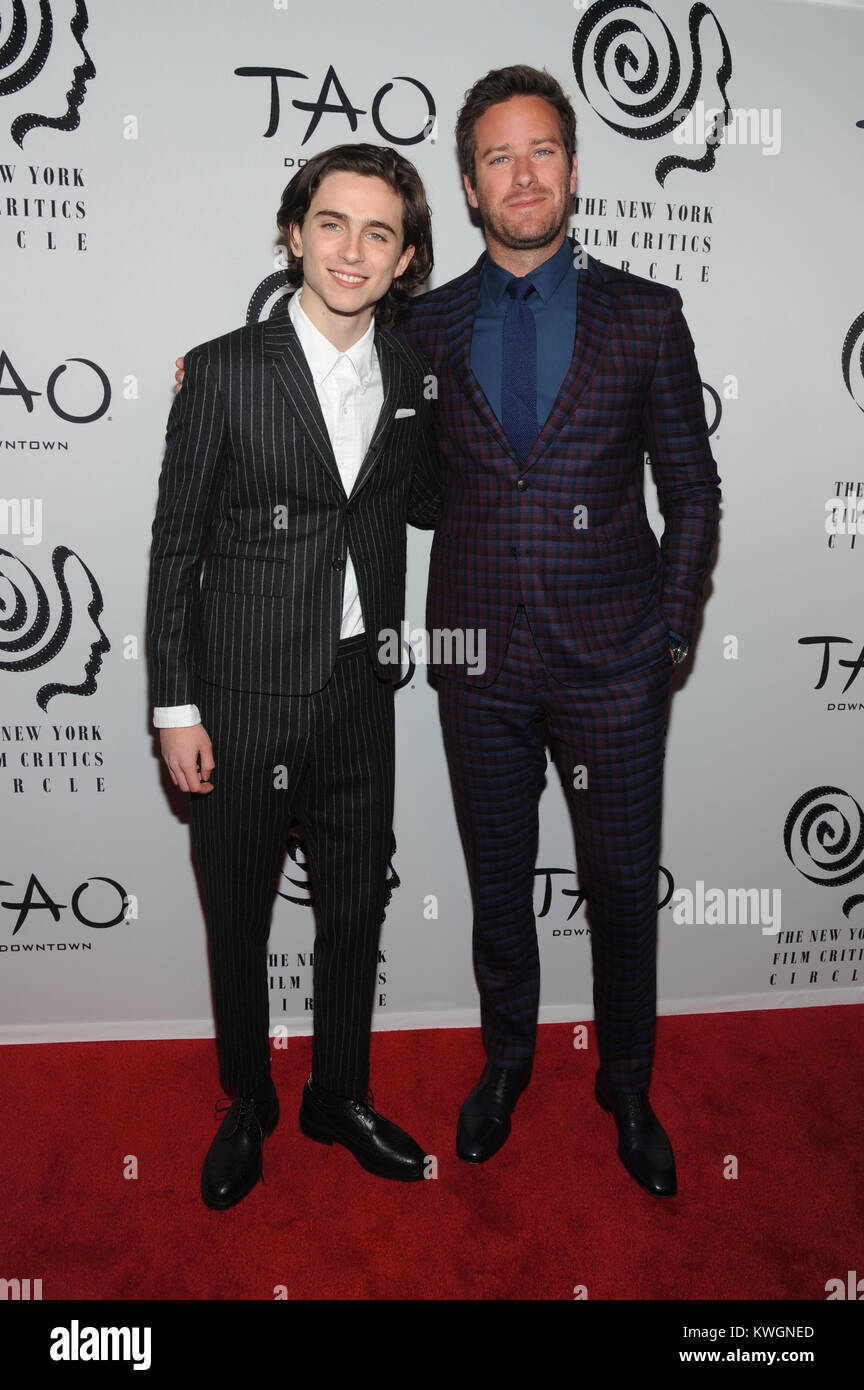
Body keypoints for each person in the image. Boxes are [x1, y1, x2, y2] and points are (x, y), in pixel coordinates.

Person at [394, 65, 721, 1197]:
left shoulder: (645, 313)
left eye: (542, 151)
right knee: (497, 884)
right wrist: (231, 374)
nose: (522, 173)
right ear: (472, 185)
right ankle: (507, 1063)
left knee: (624, 886)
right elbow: (392, 469)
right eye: (497, 156)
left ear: (574, 171)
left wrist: (668, 637)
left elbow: (696, 491)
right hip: (476, 660)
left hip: (616, 665)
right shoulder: (423, 323)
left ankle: (626, 1082)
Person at [148, 143, 439, 1210]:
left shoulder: (415, 377)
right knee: (238, 909)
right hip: (242, 697)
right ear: (293, 232)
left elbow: (432, 496)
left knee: (357, 904)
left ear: (407, 258)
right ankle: (246, 1100)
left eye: (378, 232)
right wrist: (175, 707)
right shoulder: (223, 371)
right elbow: (176, 549)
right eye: (331, 223)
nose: (350, 249)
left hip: (364, 691)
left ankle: (339, 1093)